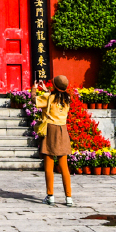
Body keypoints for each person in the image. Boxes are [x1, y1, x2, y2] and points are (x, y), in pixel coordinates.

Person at [34, 75, 74, 206]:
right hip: (63, 131)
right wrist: (46, 90)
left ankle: (50, 196)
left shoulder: (48, 97)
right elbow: (56, 97)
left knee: (49, 166)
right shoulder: (67, 99)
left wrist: (34, 88)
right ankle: (68, 197)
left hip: (50, 130)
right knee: (64, 167)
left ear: (54, 86)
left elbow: (35, 100)